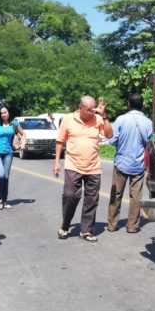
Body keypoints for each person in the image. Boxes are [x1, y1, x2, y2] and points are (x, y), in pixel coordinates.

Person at [53, 96, 113, 242]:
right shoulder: (68, 119)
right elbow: (60, 141)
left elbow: (109, 134)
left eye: (93, 110)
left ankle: (86, 230)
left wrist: (103, 116)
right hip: (73, 165)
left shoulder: (98, 119)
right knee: (70, 196)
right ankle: (65, 226)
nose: (91, 113)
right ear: (80, 108)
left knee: (91, 200)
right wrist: (57, 163)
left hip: (93, 167)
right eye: (88, 110)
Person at [106, 93, 153, 233]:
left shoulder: (121, 119)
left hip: (121, 163)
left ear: (128, 105)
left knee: (116, 195)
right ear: (142, 105)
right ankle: (133, 226)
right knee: (136, 197)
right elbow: (149, 144)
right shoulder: (148, 122)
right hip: (138, 165)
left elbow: (113, 140)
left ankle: (112, 225)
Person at [0, 104, 26, 210]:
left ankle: (4, 200)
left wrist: (23, 143)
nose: (3, 115)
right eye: (1, 113)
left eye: (5, 112)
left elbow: (23, 134)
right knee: (1, 175)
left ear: (8, 112)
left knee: (6, 177)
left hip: (8, 153)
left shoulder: (14, 123)